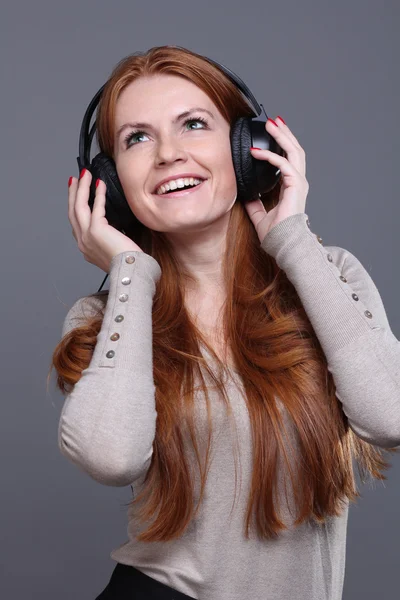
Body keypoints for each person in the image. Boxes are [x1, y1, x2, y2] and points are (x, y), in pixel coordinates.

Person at [49, 45, 400, 600]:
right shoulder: (104, 319)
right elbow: (111, 456)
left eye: (193, 124)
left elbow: (392, 416)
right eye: (137, 138)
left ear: (249, 147)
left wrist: (293, 238)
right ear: (110, 184)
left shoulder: (329, 275)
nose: (168, 153)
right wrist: (130, 273)